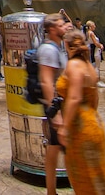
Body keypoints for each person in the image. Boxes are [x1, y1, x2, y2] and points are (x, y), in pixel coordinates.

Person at [57, 30, 105, 194]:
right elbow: (94, 99)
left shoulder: (74, 65)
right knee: (100, 176)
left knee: (84, 176)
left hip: (80, 126)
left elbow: (74, 97)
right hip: (93, 120)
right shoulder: (88, 65)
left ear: (68, 46)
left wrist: (65, 127)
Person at [39, 14, 69, 195]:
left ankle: (51, 190)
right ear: (52, 29)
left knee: (54, 148)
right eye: (61, 24)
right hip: (57, 107)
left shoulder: (58, 47)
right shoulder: (49, 50)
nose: (64, 27)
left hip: (61, 105)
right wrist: (55, 112)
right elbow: (46, 82)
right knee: (62, 148)